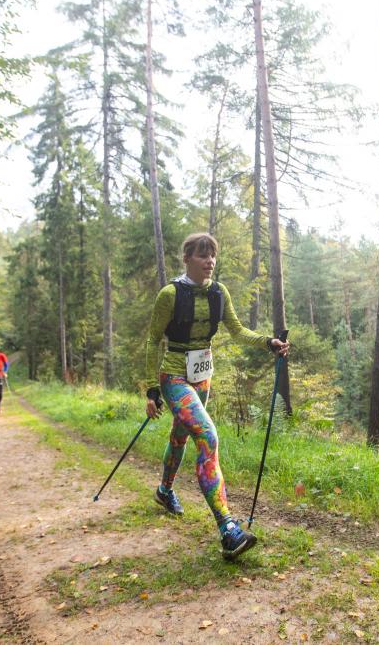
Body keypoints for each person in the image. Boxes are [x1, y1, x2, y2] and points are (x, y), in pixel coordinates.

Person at [143, 233, 289, 560]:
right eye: (202, 255)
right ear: (187, 259)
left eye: (212, 255)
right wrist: (151, 389)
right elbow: (153, 340)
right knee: (208, 437)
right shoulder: (170, 294)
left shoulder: (219, 292)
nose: (209, 261)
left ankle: (164, 491)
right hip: (174, 376)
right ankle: (228, 528)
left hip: (202, 377)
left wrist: (269, 343)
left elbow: (237, 331)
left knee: (180, 436)